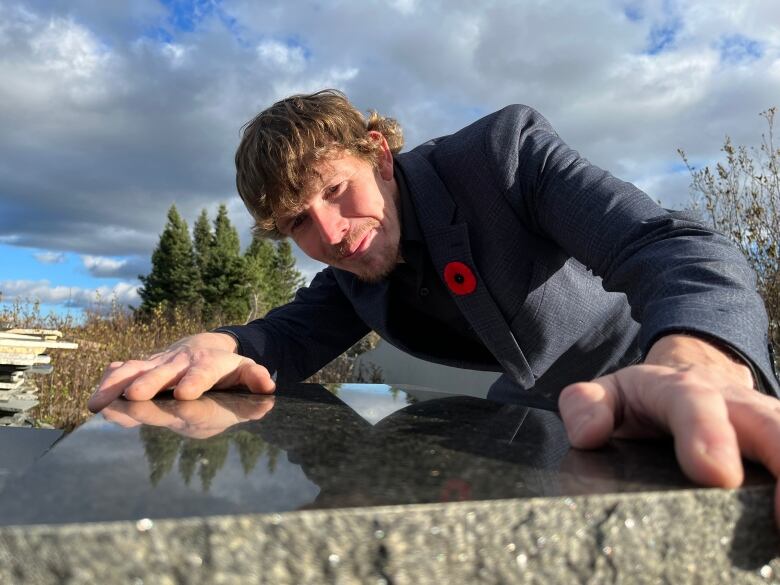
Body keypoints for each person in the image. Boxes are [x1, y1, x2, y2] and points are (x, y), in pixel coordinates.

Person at [89, 90, 780, 525]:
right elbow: (292, 330)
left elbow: (671, 245)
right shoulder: (355, 267)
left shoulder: (504, 156)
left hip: (659, 369)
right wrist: (227, 344)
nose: (329, 233)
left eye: (335, 191)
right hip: (538, 417)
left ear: (380, 155)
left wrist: (695, 360)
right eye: (299, 222)